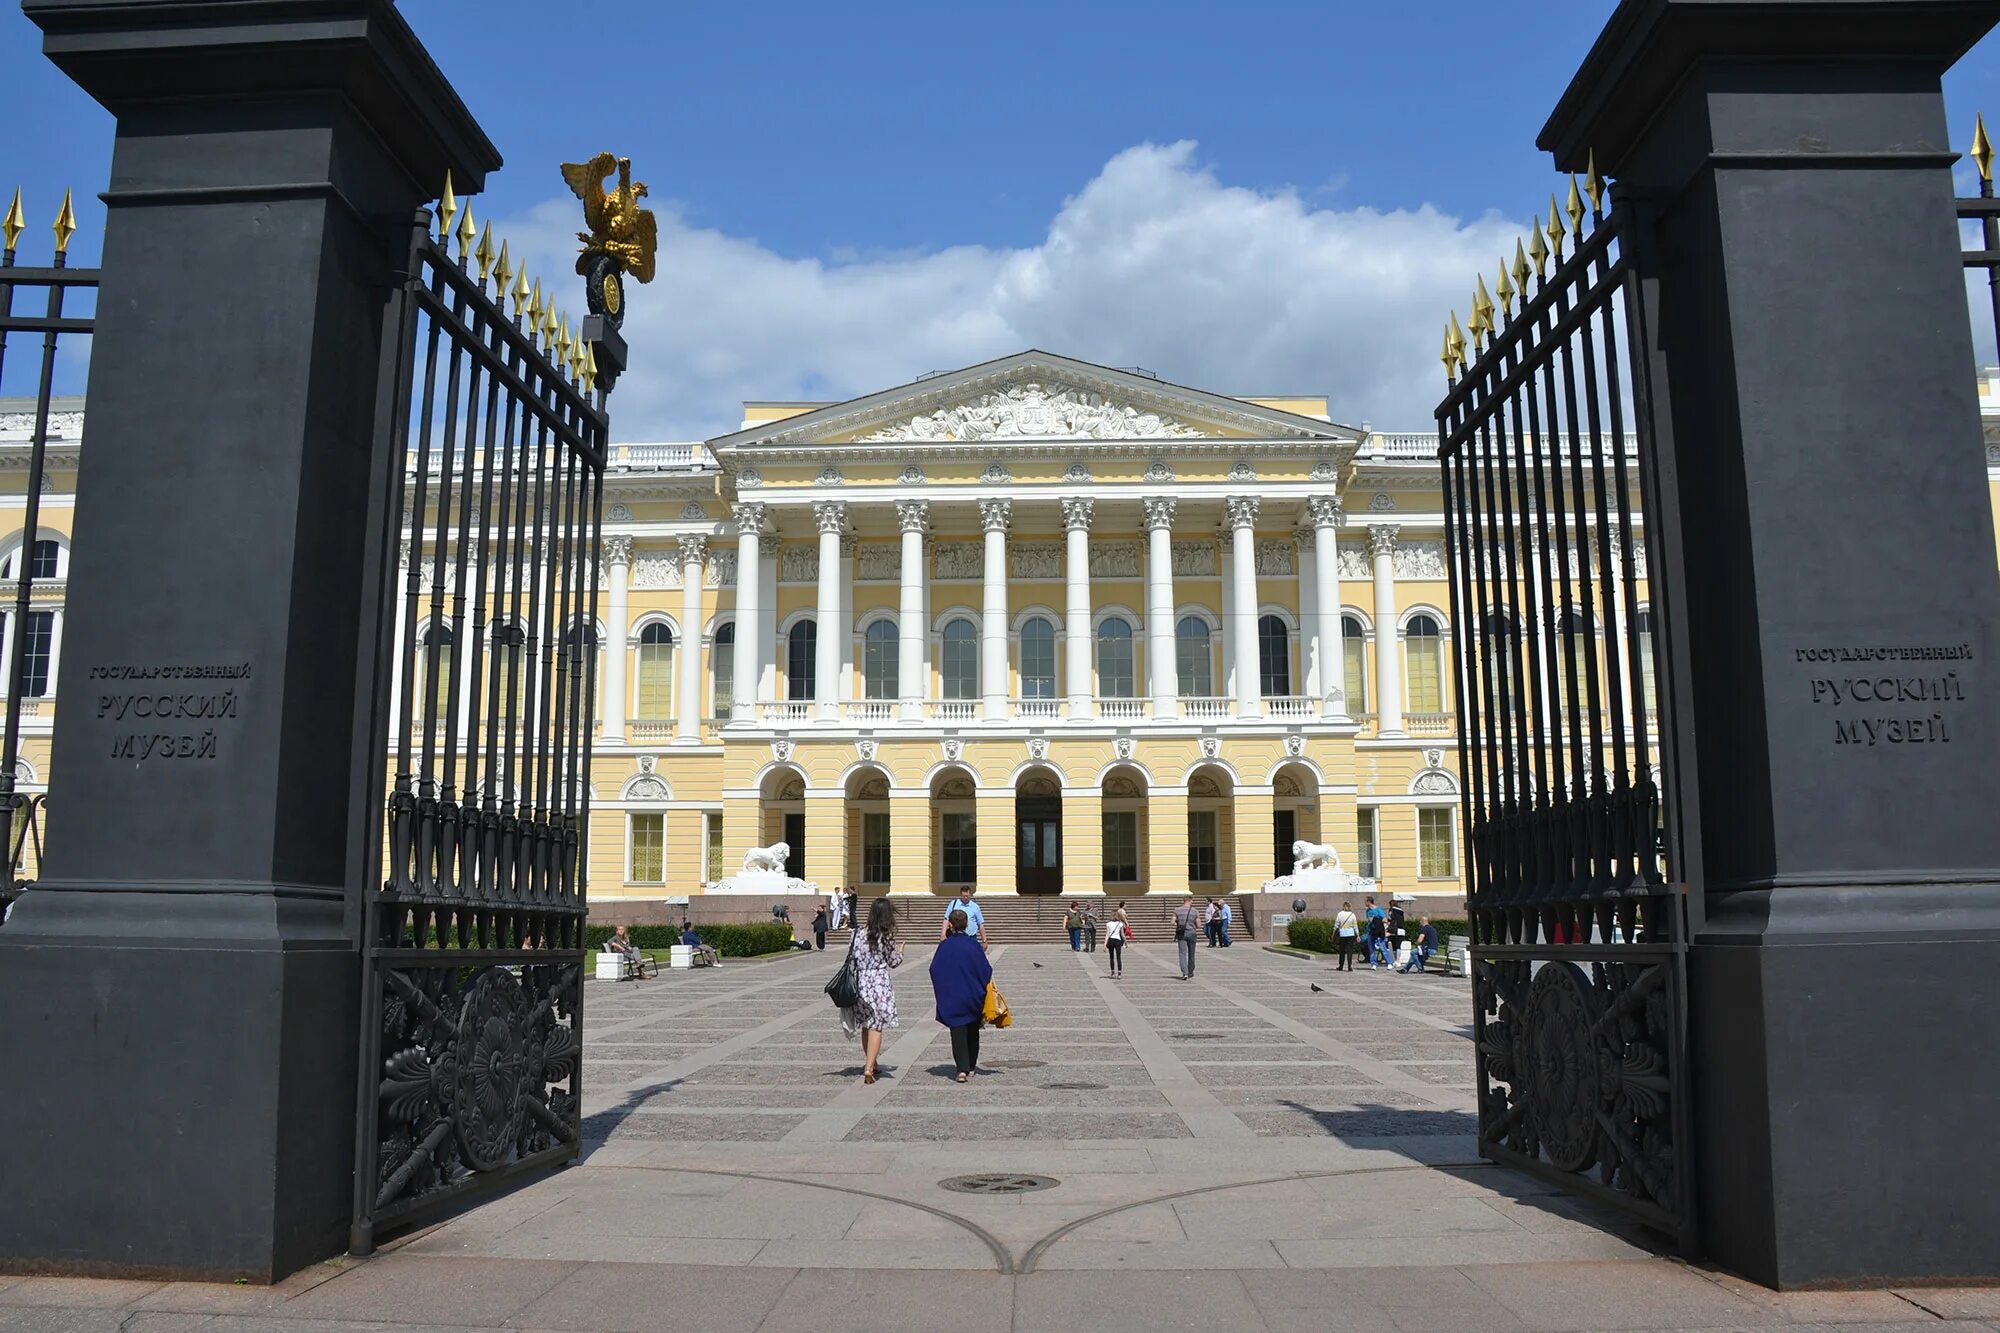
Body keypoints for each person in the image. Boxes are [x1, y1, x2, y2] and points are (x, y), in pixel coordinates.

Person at [843, 897, 903, 1083]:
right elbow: (894, 962)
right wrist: (900, 951)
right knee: (876, 1027)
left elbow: (853, 957)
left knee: (866, 1026)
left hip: (861, 983)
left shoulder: (857, 934)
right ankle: (869, 1068)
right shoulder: (885, 937)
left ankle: (872, 1062)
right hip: (878, 984)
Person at [930, 908, 994, 1083]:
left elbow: (934, 969)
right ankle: (971, 1066)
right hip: (972, 994)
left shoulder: (944, 946)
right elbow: (986, 970)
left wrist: (943, 988)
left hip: (953, 995)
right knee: (973, 1030)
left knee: (957, 1031)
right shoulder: (973, 945)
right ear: (967, 925)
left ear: (950, 924)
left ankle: (962, 1070)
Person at [1173, 894, 1203, 979]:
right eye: (1192, 901)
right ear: (1189, 901)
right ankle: (1190, 971)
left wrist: (1178, 923)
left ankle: (1184, 973)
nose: (1193, 902)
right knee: (1191, 953)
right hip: (1192, 933)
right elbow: (1199, 925)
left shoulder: (1177, 910)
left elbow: (1172, 922)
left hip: (1181, 933)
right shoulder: (1195, 911)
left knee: (1182, 953)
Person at [1364, 896, 1389, 969]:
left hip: (1378, 931)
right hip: (1370, 930)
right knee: (1371, 948)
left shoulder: (1378, 910)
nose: (1364, 903)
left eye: (1365, 901)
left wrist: (1375, 920)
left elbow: (1385, 919)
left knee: (1382, 946)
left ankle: (1389, 962)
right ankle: (1373, 963)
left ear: (1369, 902)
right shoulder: (1368, 911)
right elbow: (1368, 920)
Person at [1104, 905, 1130, 977]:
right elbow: (1122, 935)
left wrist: (1105, 944)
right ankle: (1119, 973)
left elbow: (1107, 934)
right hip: (1118, 940)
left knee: (1111, 957)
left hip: (1111, 940)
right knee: (1118, 957)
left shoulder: (1108, 924)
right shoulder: (1120, 924)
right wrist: (1126, 942)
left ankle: (1112, 972)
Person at [1334, 901, 1360, 971]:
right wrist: (1358, 935)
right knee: (1350, 951)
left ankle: (1341, 966)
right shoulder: (1352, 914)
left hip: (1342, 934)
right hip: (1351, 934)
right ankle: (1349, 966)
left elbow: (1336, 924)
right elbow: (1355, 925)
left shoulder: (1340, 914)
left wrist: (1333, 933)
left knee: (1342, 951)